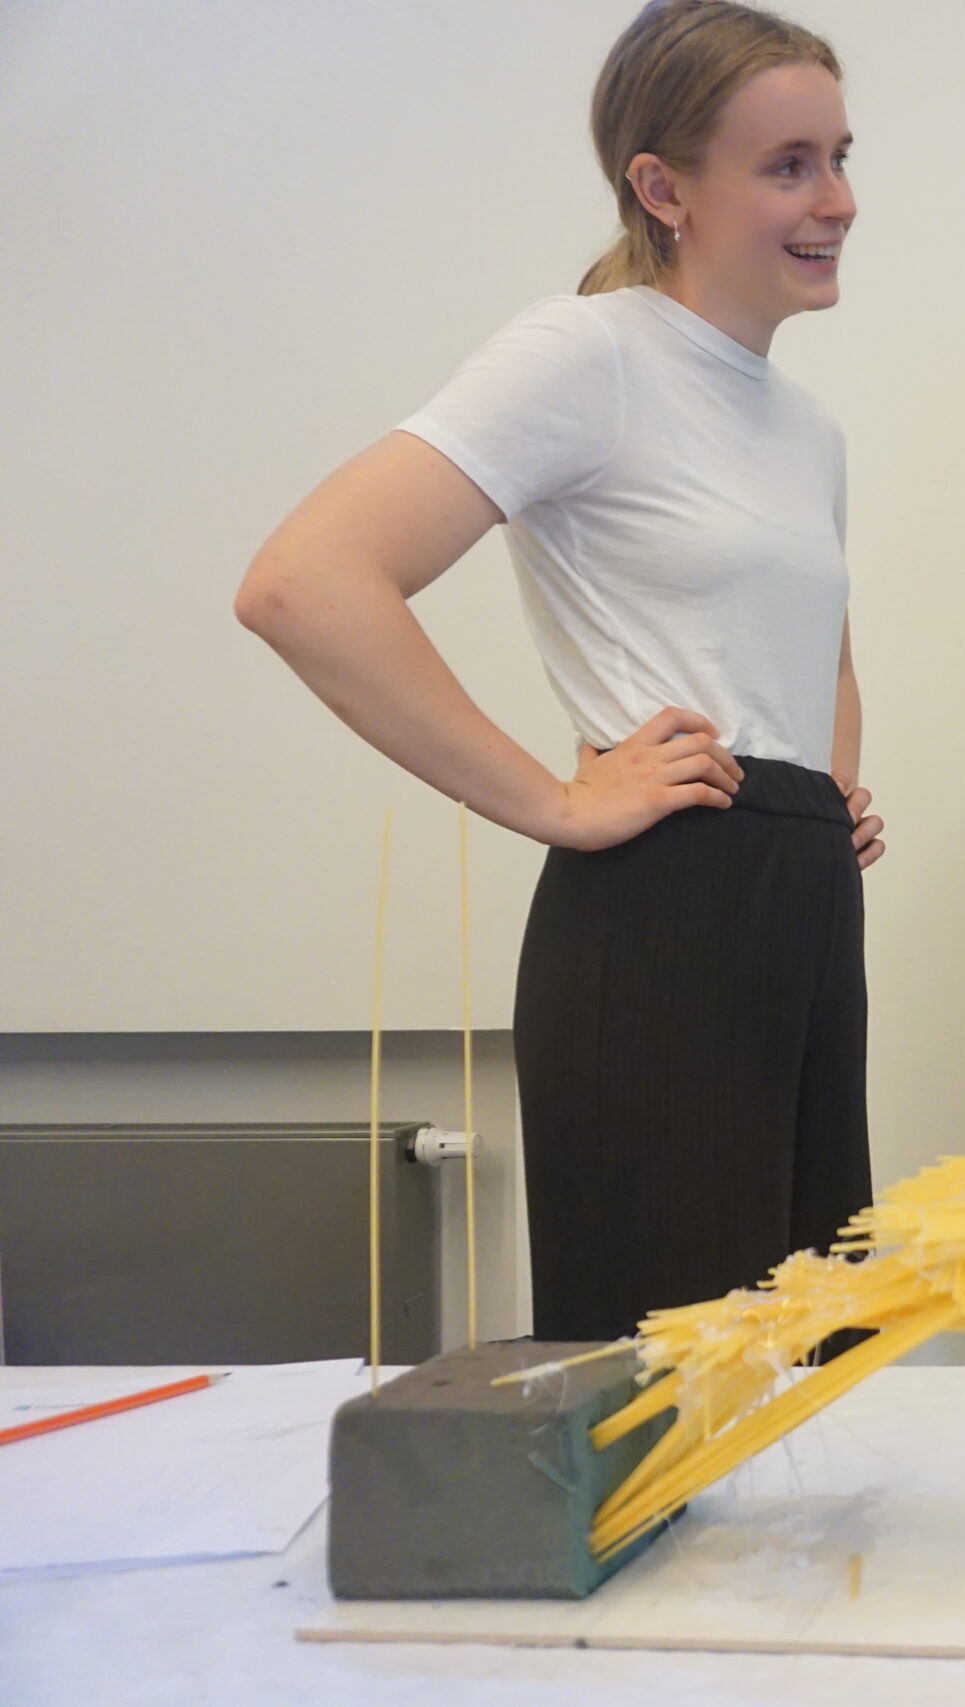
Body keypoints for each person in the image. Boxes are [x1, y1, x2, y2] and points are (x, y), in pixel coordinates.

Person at [233, 0, 882, 1340]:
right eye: (788, 165)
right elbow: (305, 583)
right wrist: (556, 797)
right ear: (663, 188)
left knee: (811, 1351)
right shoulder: (588, 353)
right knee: (670, 1382)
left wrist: (826, 792)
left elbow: (825, 649)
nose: (838, 199)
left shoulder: (806, 425)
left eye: (839, 155)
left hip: (800, 901)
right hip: (663, 909)